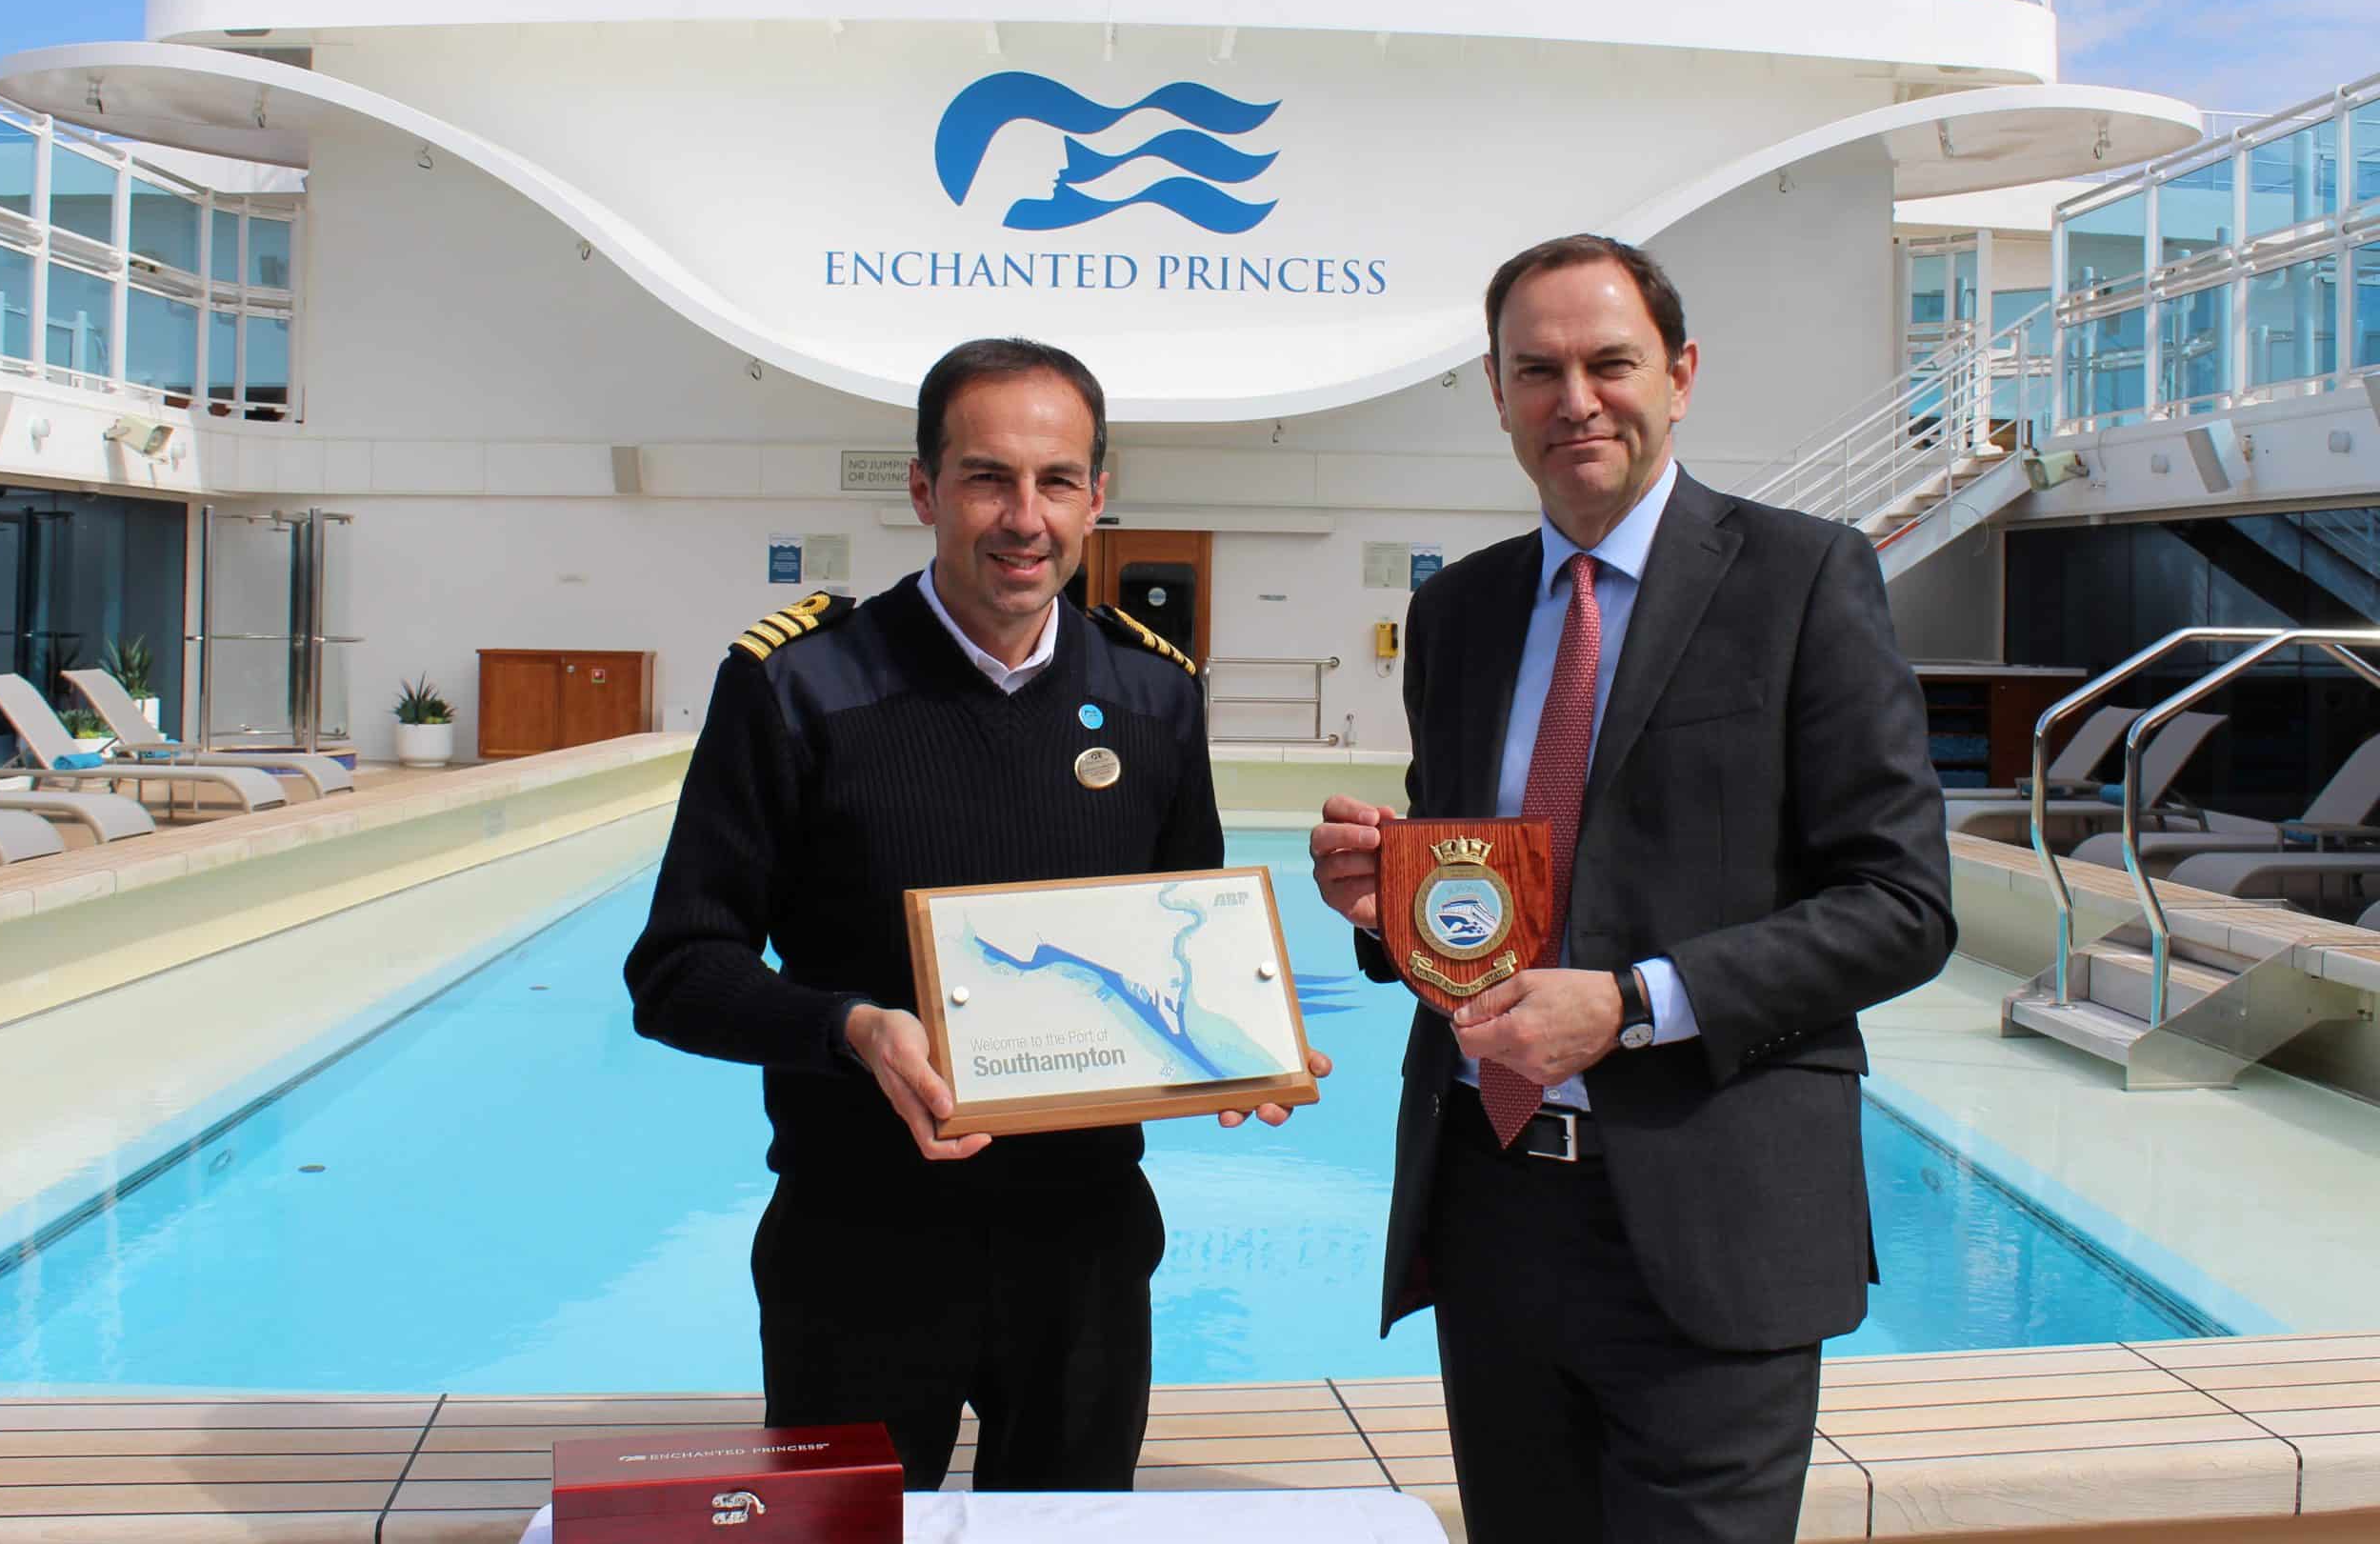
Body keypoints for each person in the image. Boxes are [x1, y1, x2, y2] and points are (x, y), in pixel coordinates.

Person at [1310, 235, 1953, 1544]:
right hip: (1494, 1207)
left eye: (1610, 362)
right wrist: (1393, 910)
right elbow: (1486, 893)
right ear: (1497, 393)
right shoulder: (1461, 613)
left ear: (1681, 373)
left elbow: (1903, 902)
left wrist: (1634, 1003)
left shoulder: (1803, 577)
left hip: (1713, 1215)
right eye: (1536, 371)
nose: (1576, 400)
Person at [626, 334, 1328, 1494]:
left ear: (1097, 496)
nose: (1024, 517)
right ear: (924, 488)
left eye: (1057, 480)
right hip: (856, 1245)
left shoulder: (1154, 691)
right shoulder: (798, 684)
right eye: (987, 478)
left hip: (1085, 1254)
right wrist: (850, 1027)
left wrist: (1235, 1046)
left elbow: (1184, 932)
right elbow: (678, 966)